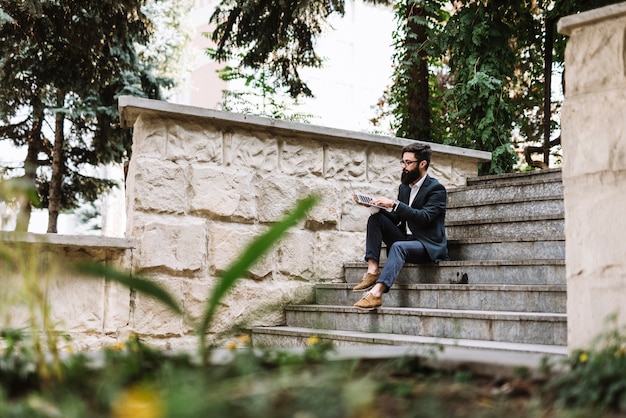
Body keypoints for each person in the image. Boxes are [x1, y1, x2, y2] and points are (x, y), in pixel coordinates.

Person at [351, 142, 448, 310]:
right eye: (402, 162)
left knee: (398, 246)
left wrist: (394, 204)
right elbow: (396, 217)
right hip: (406, 239)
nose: (404, 166)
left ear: (422, 164)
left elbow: (424, 218)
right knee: (376, 219)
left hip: (426, 244)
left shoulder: (437, 189)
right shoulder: (404, 188)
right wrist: (376, 206)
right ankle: (372, 270)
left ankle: (376, 294)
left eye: (408, 163)